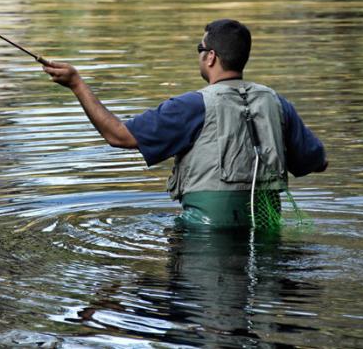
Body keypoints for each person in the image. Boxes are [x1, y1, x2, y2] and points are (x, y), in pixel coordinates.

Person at [42, 19, 327, 228]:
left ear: (211, 56)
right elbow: (315, 161)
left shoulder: (191, 106)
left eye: (200, 47)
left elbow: (119, 136)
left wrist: (77, 84)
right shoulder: (277, 104)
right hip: (264, 230)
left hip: (204, 236)